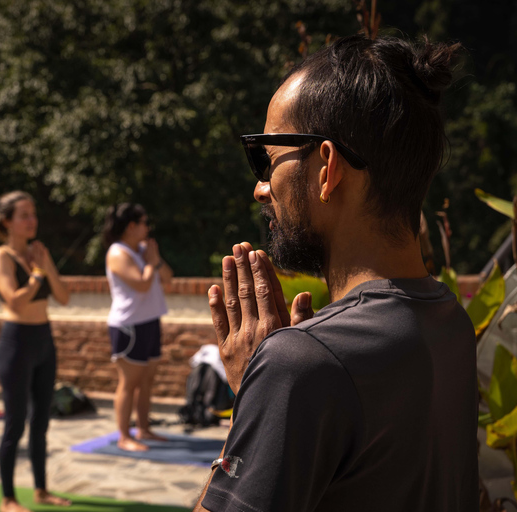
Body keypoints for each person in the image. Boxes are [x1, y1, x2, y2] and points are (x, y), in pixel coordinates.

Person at [195, 35, 477, 511]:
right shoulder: (450, 322)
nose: (261, 188)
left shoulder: (301, 363)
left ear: (327, 168)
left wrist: (257, 394)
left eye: (267, 157)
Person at [0, 191, 71, 512]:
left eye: (34, 214)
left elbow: (63, 296)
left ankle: (41, 490)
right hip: (16, 343)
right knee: (15, 423)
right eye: (24, 215)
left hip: (43, 340)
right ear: (7, 222)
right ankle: (8, 499)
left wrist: (45, 265)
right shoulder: (0, 257)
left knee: (41, 422)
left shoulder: (38, 253)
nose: (32, 221)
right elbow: (14, 300)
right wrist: (35, 275)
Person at [102, 203, 173, 451]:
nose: (148, 227)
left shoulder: (142, 250)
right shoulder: (117, 253)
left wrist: (155, 260)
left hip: (150, 321)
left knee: (146, 381)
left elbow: (168, 277)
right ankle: (124, 436)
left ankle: (143, 428)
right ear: (132, 226)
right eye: (144, 222)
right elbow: (141, 285)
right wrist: (151, 262)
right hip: (128, 326)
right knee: (128, 383)